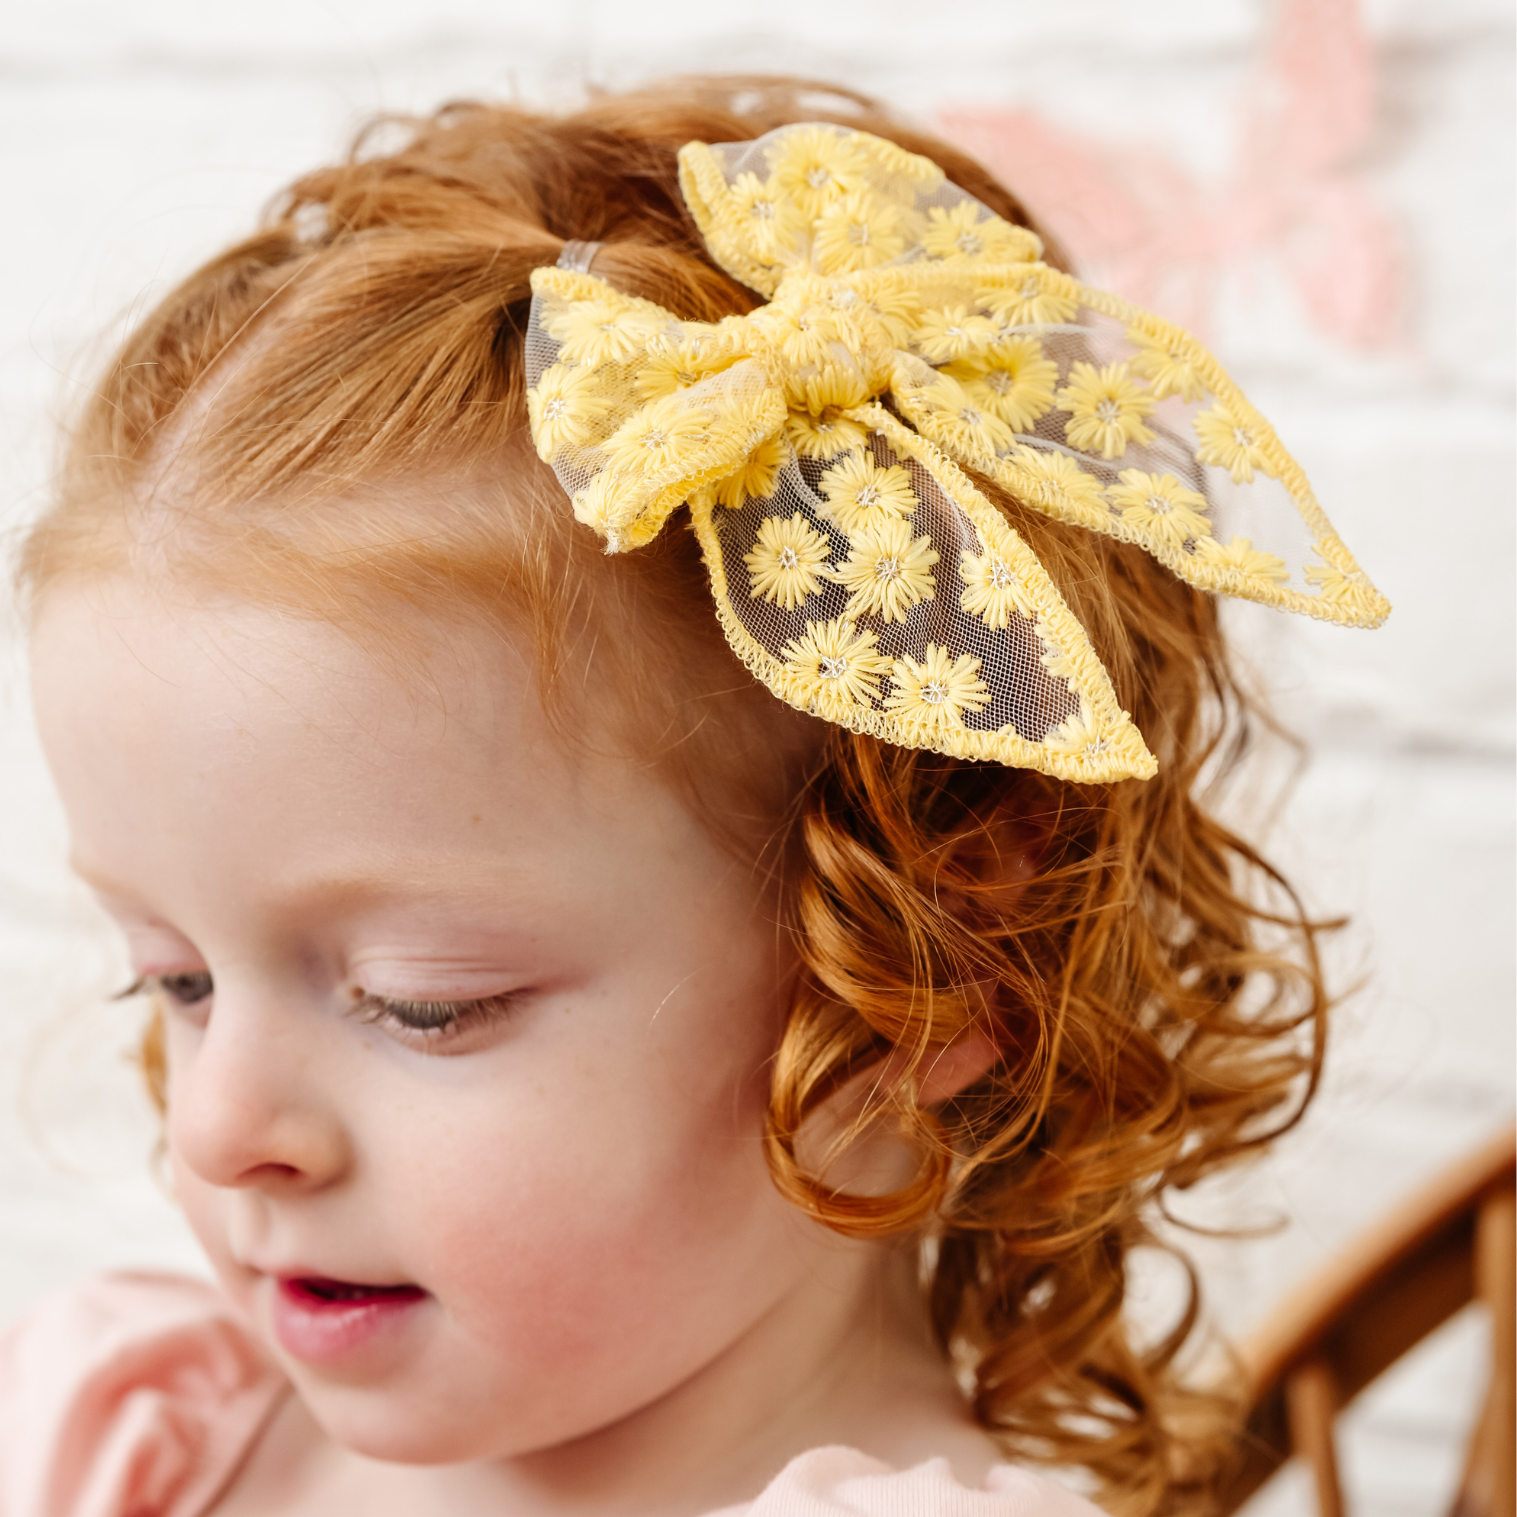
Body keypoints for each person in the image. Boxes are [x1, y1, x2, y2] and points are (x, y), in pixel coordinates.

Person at [1, 75, 1387, 1517]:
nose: (218, 1128)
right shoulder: (116, 1440)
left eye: (425, 1003)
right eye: (175, 979)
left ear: (927, 961)